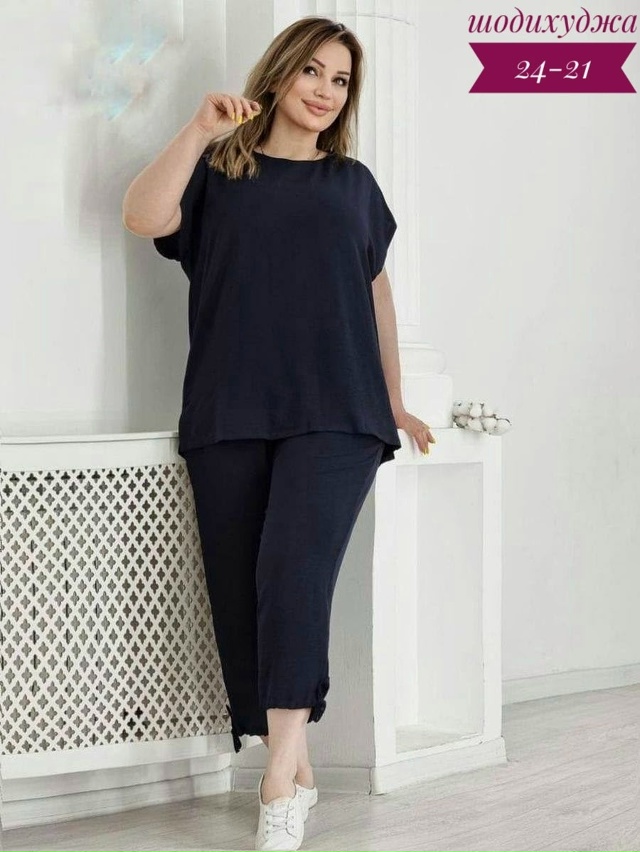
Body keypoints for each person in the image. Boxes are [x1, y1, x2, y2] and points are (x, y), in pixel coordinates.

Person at [123, 15, 435, 850]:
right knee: (240, 595)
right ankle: (293, 763)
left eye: (341, 80)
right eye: (313, 72)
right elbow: (143, 217)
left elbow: (376, 294)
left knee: (293, 573)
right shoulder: (218, 173)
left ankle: (276, 785)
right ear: (281, 72)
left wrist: (395, 400)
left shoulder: (353, 185)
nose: (326, 91)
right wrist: (198, 129)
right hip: (229, 409)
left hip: (338, 411)